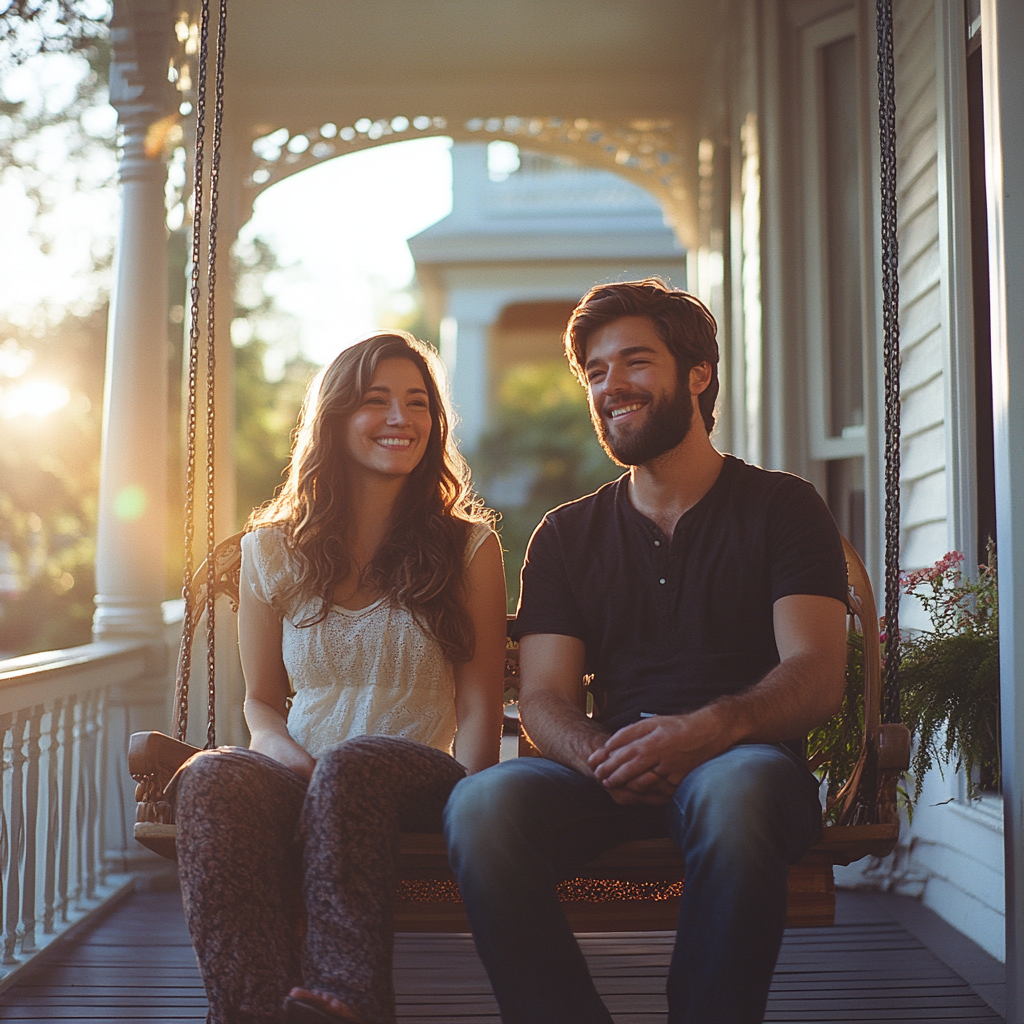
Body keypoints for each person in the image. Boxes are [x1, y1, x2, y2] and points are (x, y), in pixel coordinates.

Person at [443, 279, 849, 1024]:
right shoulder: (566, 537)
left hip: (746, 767)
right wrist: (604, 755)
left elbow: (818, 674)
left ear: (697, 373)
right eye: (596, 371)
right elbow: (543, 698)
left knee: (736, 789)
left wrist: (708, 730)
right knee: (481, 804)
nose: (611, 386)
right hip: (609, 773)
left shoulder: (782, 508)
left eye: (634, 362)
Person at [172, 332, 507, 1024]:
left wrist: (468, 808)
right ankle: (256, 1010)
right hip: (303, 771)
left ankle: (344, 1002)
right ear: (334, 418)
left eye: (417, 404)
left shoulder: (467, 545)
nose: (401, 419)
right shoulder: (272, 550)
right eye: (376, 401)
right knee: (211, 775)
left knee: (354, 766)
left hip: (417, 781)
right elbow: (261, 703)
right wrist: (290, 759)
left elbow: (479, 701)